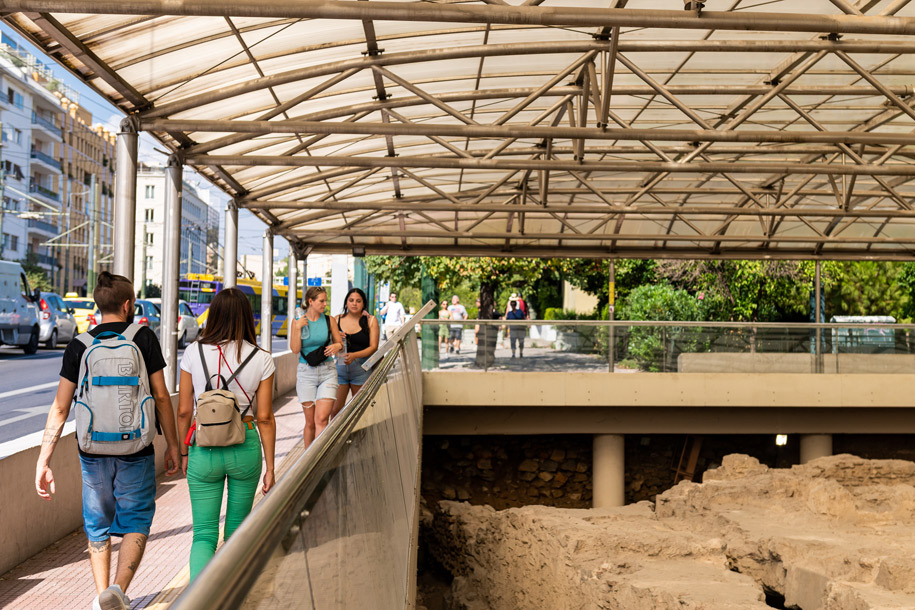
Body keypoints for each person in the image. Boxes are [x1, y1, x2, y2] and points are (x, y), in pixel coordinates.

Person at [35, 271, 180, 610]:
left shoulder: (79, 346)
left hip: (92, 449)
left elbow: (60, 407)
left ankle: (103, 594)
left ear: (98, 306)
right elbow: (160, 396)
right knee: (137, 518)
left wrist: (44, 460)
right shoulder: (144, 338)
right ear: (128, 305)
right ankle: (118, 588)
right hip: (137, 447)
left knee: (97, 522)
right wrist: (173, 445)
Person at [177, 287, 276, 581]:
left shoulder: (193, 351)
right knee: (236, 532)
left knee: (203, 536)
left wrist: (184, 453)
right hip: (244, 446)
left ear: (214, 314)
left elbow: (184, 411)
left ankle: (198, 601)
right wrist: (271, 467)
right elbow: (265, 417)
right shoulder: (262, 358)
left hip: (203, 449)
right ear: (247, 317)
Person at [290, 286, 344, 447]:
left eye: (325, 300)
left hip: (327, 371)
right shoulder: (297, 321)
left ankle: (319, 461)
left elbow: (339, 343)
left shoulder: (329, 320)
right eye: (321, 301)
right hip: (306, 372)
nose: (324, 304)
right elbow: (295, 349)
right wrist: (298, 329)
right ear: (310, 301)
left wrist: (337, 347)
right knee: (310, 423)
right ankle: (307, 463)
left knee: (321, 419)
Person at [331, 288, 380, 419]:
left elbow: (373, 347)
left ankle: (360, 439)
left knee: (360, 411)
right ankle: (337, 440)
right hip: (340, 369)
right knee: (335, 411)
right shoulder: (336, 320)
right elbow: (330, 345)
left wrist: (354, 355)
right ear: (346, 302)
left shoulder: (371, 321)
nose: (354, 303)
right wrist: (335, 338)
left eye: (358, 301)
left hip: (361, 370)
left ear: (363, 304)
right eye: (351, 300)